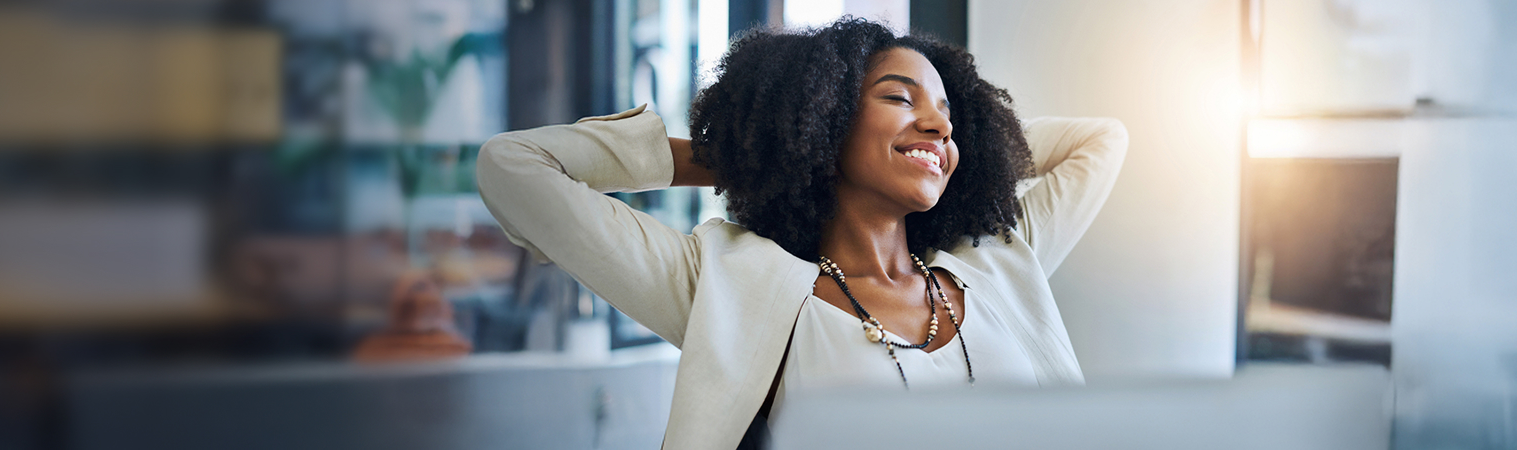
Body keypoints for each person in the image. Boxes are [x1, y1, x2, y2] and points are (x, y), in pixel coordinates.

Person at [476, 17, 1127, 450]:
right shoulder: (734, 288)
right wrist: (742, 153)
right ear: (824, 119)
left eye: (948, 115)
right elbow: (513, 167)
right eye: (901, 99)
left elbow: (1101, 142)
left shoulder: (996, 265)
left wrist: (971, 157)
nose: (938, 125)